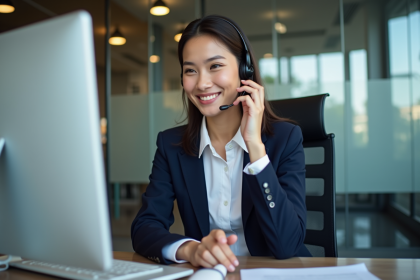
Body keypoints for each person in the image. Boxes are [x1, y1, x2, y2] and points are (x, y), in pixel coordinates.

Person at [131, 15, 311, 272]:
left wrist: (255, 149)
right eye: (190, 70)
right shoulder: (171, 146)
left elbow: (288, 245)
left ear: (244, 70)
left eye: (215, 66)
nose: (202, 83)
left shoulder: (286, 139)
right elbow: (144, 228)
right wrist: (191, 249)